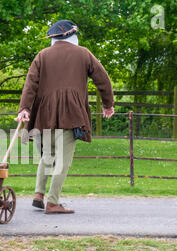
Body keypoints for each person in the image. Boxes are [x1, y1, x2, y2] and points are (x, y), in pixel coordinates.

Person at [15, 20, 115, 214]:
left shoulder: (42, 56)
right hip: (72, 114)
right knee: (63, 160)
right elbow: (102, 79)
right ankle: (52, 202)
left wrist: (24, 108)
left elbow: (30, 84)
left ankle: (38, 194)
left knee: (47, 155)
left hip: (45, 113)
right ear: (72, 35)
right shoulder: (84, 53)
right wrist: (107, 104)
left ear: (54, 38)